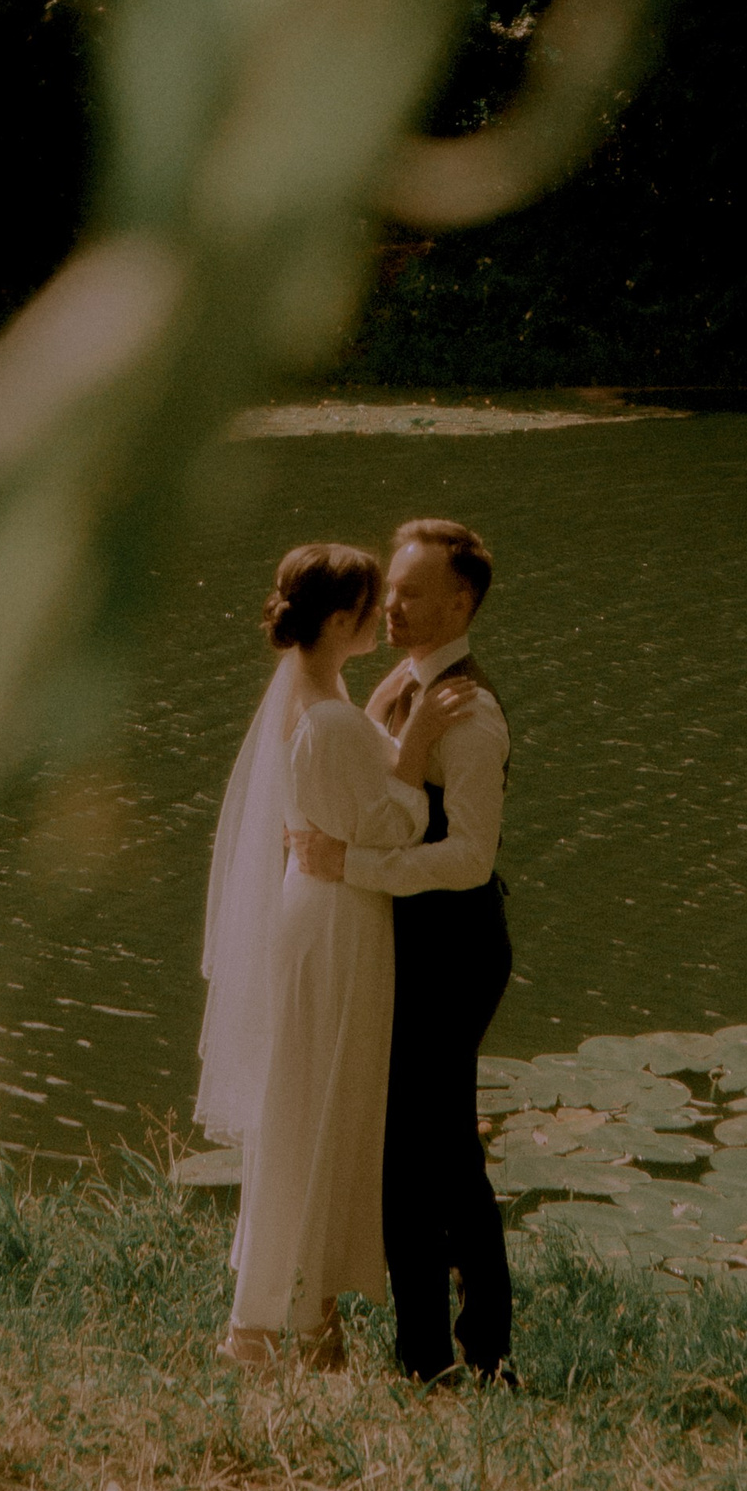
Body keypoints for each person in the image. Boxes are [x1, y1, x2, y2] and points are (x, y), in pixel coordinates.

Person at [195, 541, 454, 1368]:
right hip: (341, 919)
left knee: (301, 1097)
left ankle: (283, 1312)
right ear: (342, 620)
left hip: (312, 908)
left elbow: (334, 779)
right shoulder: (333, 715)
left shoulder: (313, 692)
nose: (386, 614)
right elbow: (388, 821)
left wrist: (379, 717)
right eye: (374, 604)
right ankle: (294, 1320)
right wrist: (413, 752)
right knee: (321, 1101)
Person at [292, 516, 514, 1387]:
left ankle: (479, 1354)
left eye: (413, 592)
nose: (392, 604)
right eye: (391, 590)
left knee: (442, 1156)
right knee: (405, 1151)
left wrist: (355, 865)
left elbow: (471, 858)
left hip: (454, 953)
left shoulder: (472, 713)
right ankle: (425, 1354)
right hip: (402, 946)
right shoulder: (404, 686)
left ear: (460, 603)